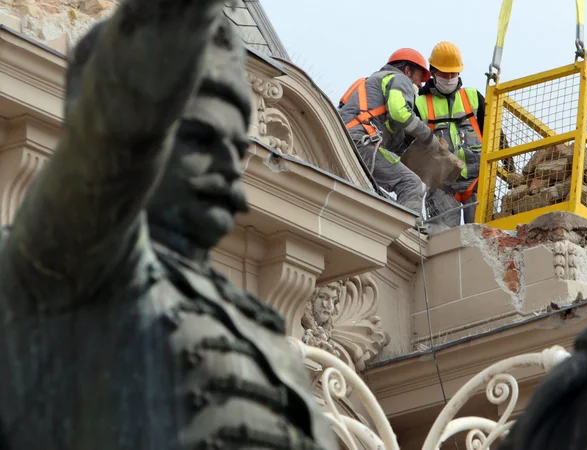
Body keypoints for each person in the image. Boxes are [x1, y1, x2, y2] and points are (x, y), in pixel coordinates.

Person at [0, 3, 335, 449]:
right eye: (199, 137)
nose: (227, 165)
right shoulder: (69, 267)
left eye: (238, 149)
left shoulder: (258, 330)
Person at [339, 48, 447, 214]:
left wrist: (408, 140)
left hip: (347, 142)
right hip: (362, 144)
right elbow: (399, 113)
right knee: (411, 184)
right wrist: (428, 137)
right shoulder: (399, 79)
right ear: (407, 70)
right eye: (420, 77)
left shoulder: (373, 83)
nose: (421, 84)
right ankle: (411, 234)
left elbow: (389, 128)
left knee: (376, 196)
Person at [413, 41, 485, 232]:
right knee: (442, 243)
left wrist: (507, 165)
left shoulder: (473, 97)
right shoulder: (420, 103)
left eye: (454, 73)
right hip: (442, 186)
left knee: (485, 237)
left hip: (477, 181)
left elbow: (494, 134)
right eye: (445, 73)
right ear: (434, 72)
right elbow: (411, 148)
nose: (450, 77)